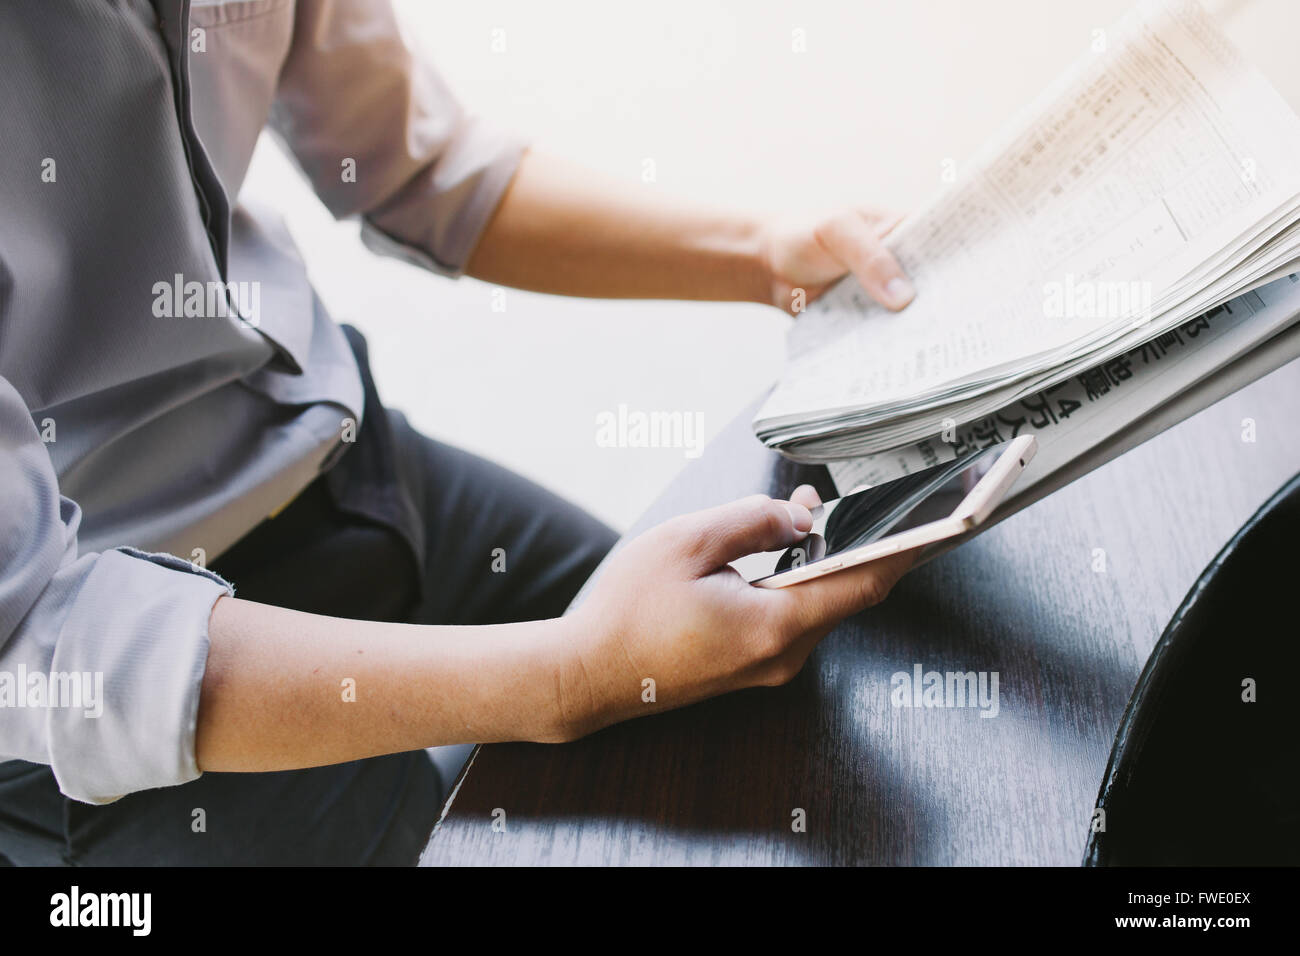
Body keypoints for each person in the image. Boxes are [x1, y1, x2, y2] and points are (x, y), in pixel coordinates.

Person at [0, 0, 916, 865]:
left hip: (345, 457)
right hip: (114, 665)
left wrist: (767, 258)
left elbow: (413, 167)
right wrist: (566, 677)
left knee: (755, 691)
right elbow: (33, 635)